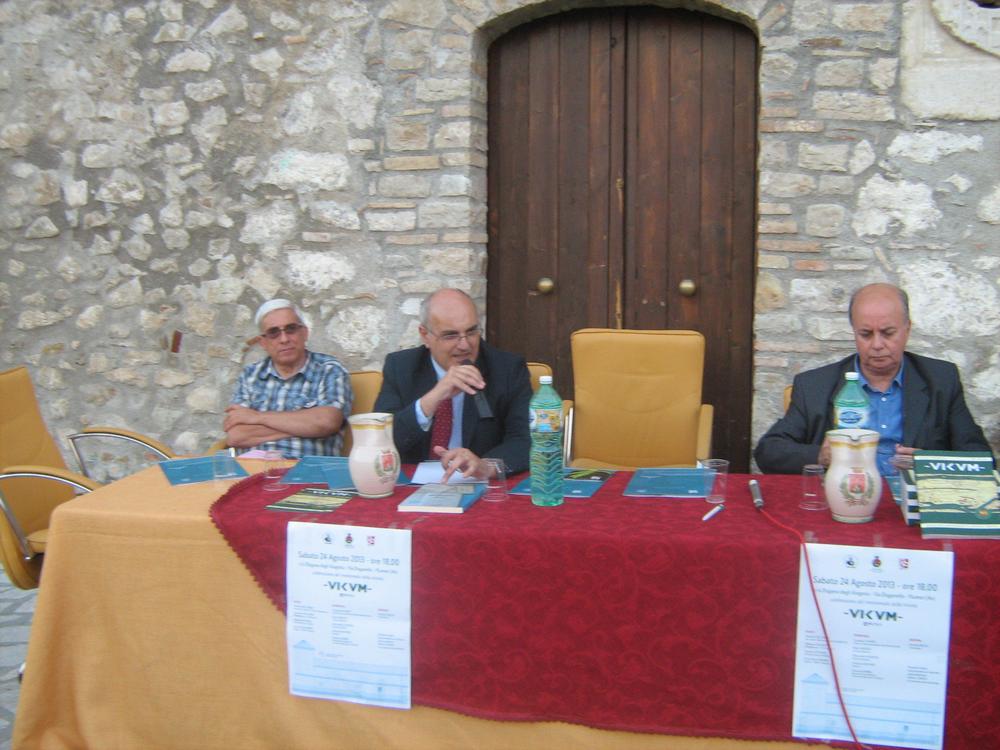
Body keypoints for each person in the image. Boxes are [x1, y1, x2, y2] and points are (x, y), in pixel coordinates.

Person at [754, 282, 991, 476]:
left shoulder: (941, 380)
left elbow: (981, 459)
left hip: (913, 504)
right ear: (854, 332)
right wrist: (821, 455)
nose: (877, 345)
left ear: (907, 329)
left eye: (888, 333)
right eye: (866, 334)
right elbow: (768, 452)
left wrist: (928, 464)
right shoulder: (815, 386)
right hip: (842, 500)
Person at [373, 288, 531, 480]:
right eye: (450, 335)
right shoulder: (401, 367)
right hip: (413, 484)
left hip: (479, 484)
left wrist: (486, 466)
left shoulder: (507, 369)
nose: (464, 345)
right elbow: (380, 440)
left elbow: (525, 440)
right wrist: (433, 398)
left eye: (471, 332)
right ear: (425, 335)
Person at [225, 299, 352, 457]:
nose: (284, 339)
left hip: (306, 470)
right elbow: (236, 435)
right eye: (274, 333)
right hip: (252, 469)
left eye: (291, 329)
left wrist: (256, 417)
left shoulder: (329, 370)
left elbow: (327, 422)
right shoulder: (250, 375)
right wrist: (305, 426)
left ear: (304, 333)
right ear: (263, 343)